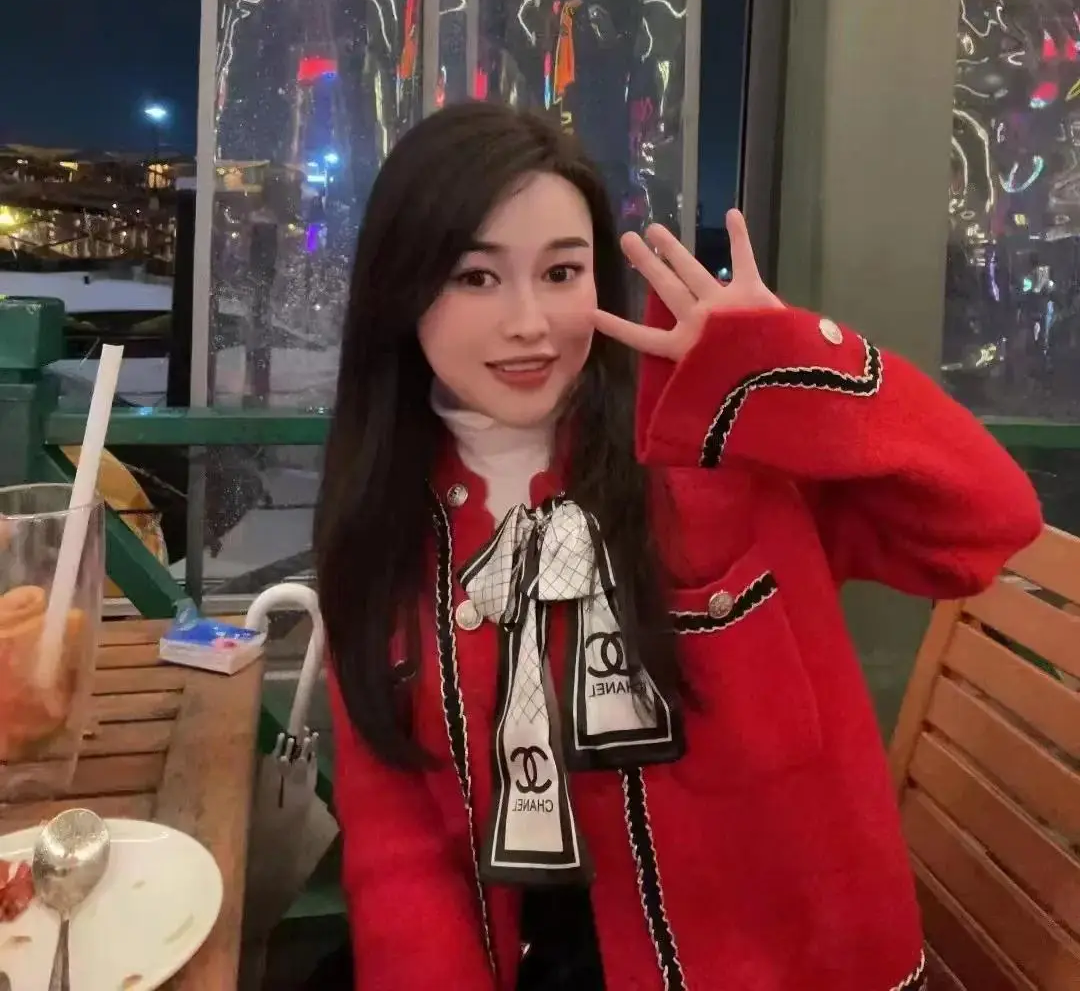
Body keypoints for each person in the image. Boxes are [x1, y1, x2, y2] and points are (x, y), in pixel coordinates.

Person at [315, 102, 1042, 991]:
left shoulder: (714, 449)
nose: (528, 322)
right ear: (403, 292)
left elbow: (984, 525)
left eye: (561, 272)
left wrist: (788, 361)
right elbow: (400, 841)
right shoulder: (383, 523)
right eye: (475, 277)